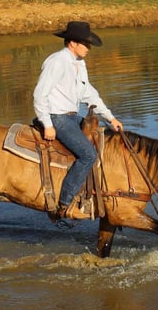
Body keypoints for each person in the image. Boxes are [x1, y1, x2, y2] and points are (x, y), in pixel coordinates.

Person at [33, 21, 124, 220]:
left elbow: (89, 94)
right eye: (86, 44)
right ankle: (64, 204)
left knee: (102, 143)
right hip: (58, 118)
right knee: (88, 154)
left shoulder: (79, 64)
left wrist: (111, 118)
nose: (89, 48)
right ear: (73, 43)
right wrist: (47, 124)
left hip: (72, 117)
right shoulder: (57, 62)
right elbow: (40, 95)